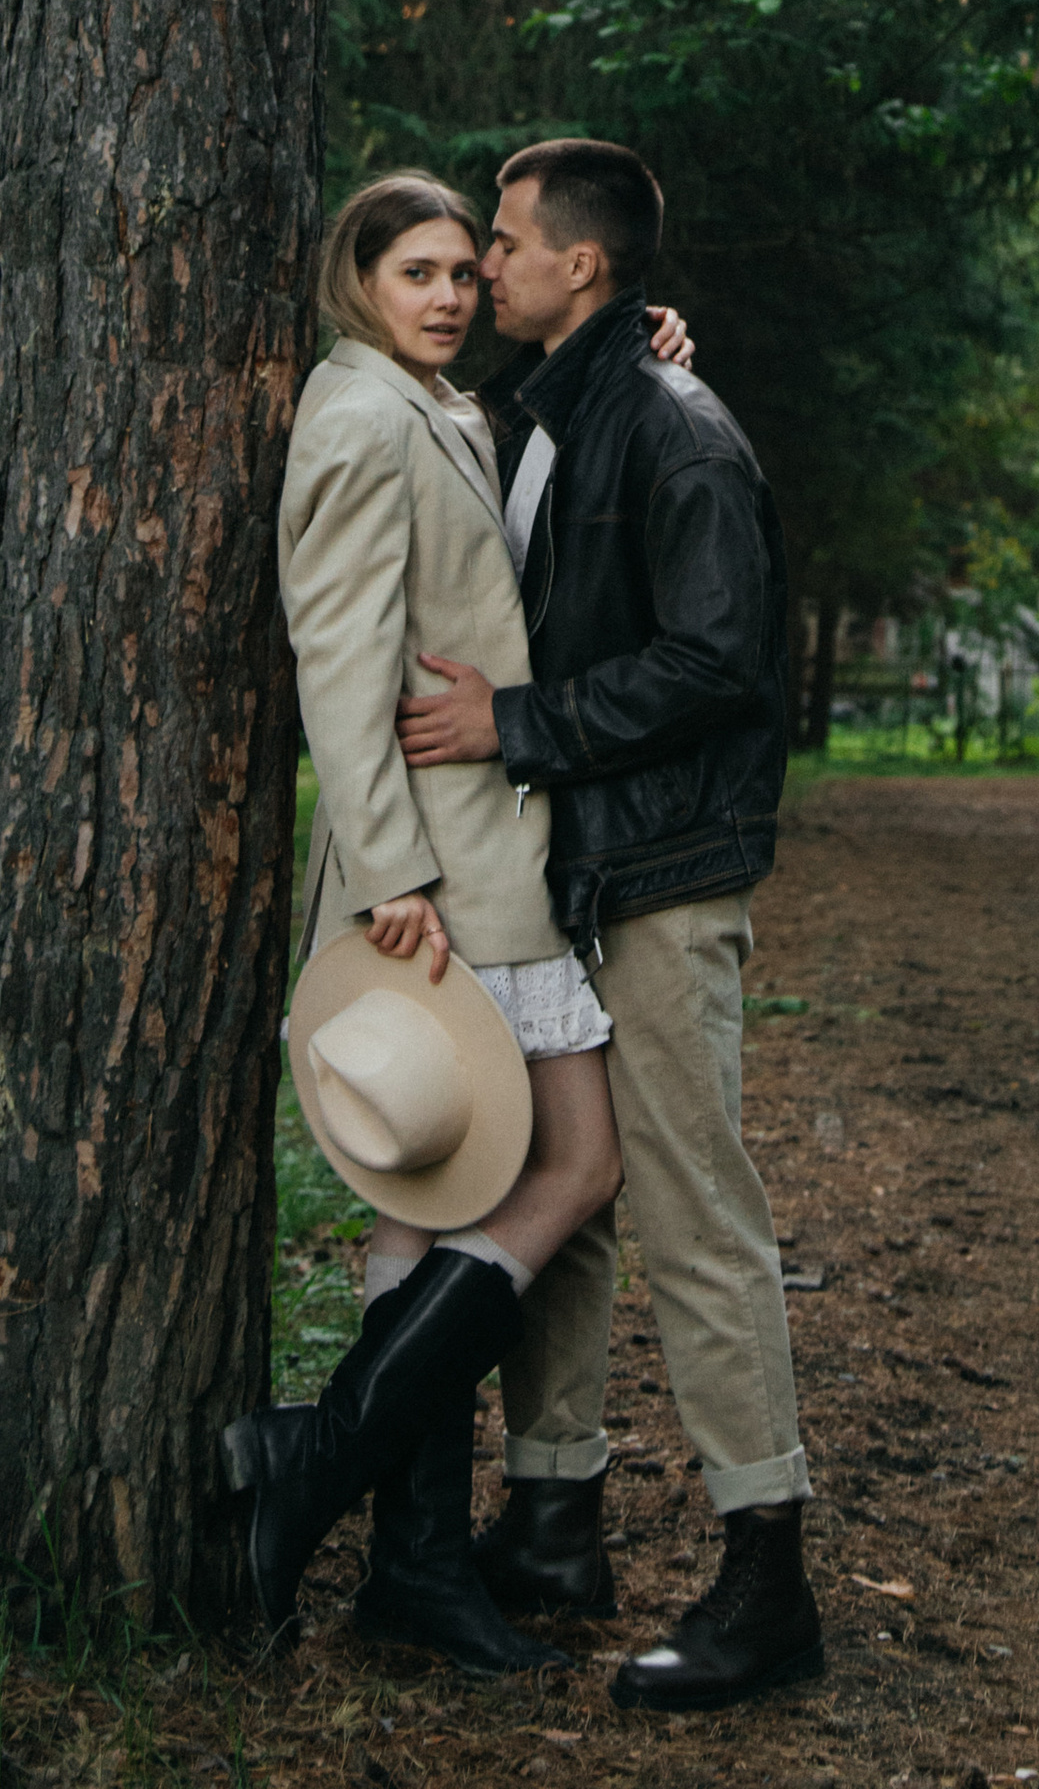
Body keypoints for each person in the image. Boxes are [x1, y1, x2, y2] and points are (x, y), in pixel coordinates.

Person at [396, 136, 822, 1715]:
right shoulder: (566, 404)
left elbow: (719, 662)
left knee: (696, 1211)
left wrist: (522, 725)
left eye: (504, 243)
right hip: (578, 873)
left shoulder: (674, 429)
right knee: (546, 1192)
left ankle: (767, 1576)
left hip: (665, 877)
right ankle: (553, 1519)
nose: (483, 264)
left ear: (582, 264)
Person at [229, 171, 675, 1671]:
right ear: (357, 282)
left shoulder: (435, 405)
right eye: (414, 271)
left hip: (484, 858)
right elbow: (335, 664)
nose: (446, 294)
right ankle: (342, 1481)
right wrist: (388, 876)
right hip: (440, 879)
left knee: (432, 1205)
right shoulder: (358, 419)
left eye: (461, 274)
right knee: (565, 1163)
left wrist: (648, 336)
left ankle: (394, 1542)